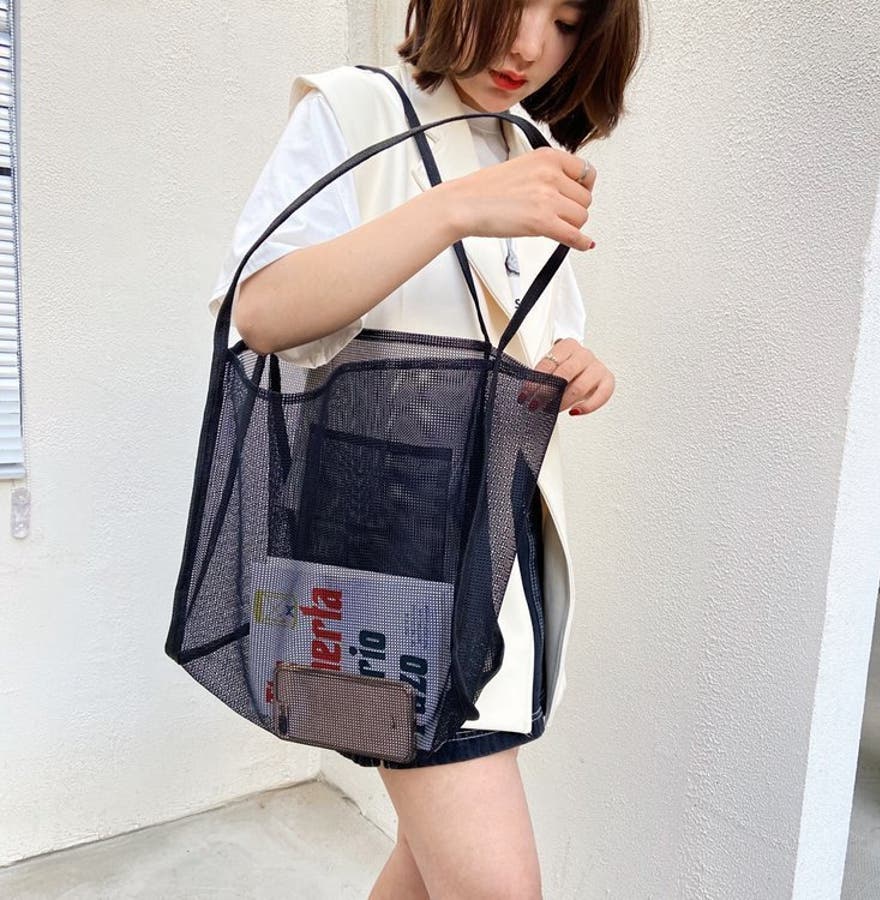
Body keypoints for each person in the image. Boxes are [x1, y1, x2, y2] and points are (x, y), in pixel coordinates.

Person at [207, 1, 641, 895]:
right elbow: (261, 311)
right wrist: (453, 209)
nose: (530, 47)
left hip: (495, 560)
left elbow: (529, 336)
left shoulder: (527, 147)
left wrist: (574, 366)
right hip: (374, 570)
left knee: (426, 865)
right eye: (514, 5)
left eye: (567, 21)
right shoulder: (353, 110)